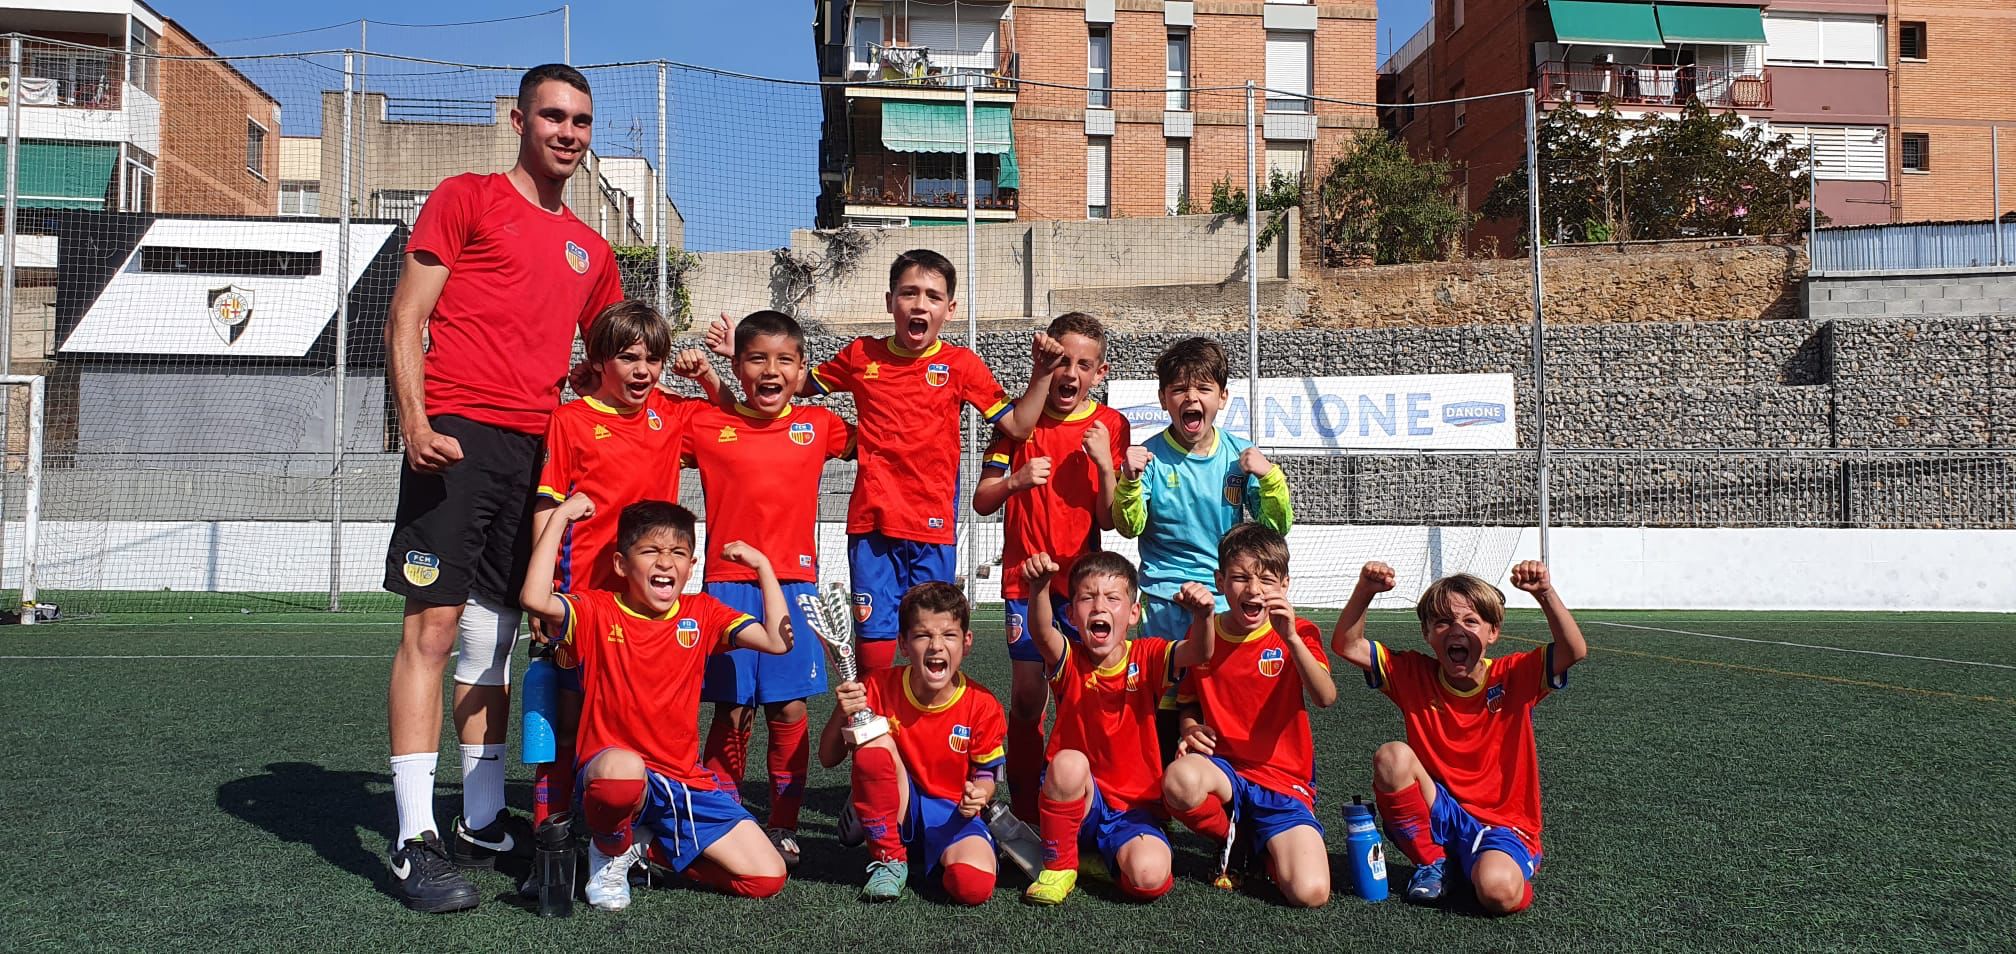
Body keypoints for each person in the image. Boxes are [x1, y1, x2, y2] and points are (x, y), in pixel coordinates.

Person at [379, 62, 625, 913]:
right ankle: (415, 839)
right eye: (553, 116)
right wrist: (414, 422)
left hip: (539, 450)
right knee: (435, 628)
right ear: (518, 120)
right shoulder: (467, 196)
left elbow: (611, 363)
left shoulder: (594, 252)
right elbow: (406, 316)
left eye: (581, 121)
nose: (567, 132)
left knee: (498, 632)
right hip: (456, 435)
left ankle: (482, 819)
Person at [711, 249, 1066, 671]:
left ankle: (923, 735)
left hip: (932, 528)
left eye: (933, 297)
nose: (920, 304)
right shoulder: (861, 355)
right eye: (909, 293)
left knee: (932, 646)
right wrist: (744, 352)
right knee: (875, 656)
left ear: (949, 310)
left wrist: (1041, 374)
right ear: (889, 301)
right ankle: (871, 733)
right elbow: (798, 383)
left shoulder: (961, 365)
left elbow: (1019, 426)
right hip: (872, 528)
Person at [521, 496, 793, 911]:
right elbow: (535, 599)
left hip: (684, 780)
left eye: (678, 553)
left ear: (691, 565)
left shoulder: (702, 614)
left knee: (767, 876)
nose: (666, 562)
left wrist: (762, 567)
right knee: (621, 772)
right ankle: (609, 851)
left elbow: (776, 640)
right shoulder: (597, 609)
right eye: (650, 551)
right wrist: (559, 518)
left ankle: (644, 851)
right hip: (615, 772)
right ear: (620, 564)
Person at [526, 301, 720, 834]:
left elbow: (736, 423)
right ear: (599, 360)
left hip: (648, 608)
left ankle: (633, 826)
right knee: (567, 721)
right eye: (629, 358)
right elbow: (548, 505)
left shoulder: (673, 415)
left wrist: (706, 377)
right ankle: (552, 830)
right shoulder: (571, 420)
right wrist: (545, 593)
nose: (643, 371)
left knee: (645, 721)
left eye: (652, 359)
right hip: (584, 597)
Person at [688, 310, 854, 868]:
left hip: (794, 586)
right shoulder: (707, 425)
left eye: (785, 360)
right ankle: (723, 818)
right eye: (757, 358)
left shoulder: (820, 425)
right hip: (726, 587)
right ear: (737, 364)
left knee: (787, 710)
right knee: (731, 712)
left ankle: (783, 823)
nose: (771, 370)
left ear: (802, 369)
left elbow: (880, 436)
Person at [1330, 560, 1588, 914]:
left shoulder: (1514, 674)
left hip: (1503, 824)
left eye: (1471, 621)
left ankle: (1484, 868)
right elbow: (1346, 644)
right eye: (1443, 622)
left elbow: (1573, 650)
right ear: (1426, 633)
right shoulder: (1413, 674)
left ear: (1493, 632)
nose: (1457, 630)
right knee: (1393, 757)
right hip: (1440, 810)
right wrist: (1365, 591)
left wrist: (1545, 593)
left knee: (1497, 893)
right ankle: (1434, 861)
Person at [972, 312, 1128, 822]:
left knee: (1086, 695)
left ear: (1099, 373)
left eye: (1084, 364)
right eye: (1061, 359)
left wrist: (1106, 464)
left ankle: (1090, 799)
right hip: (1025, 582)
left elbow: (1109, 517)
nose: (1070, 373)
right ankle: (1022, 806)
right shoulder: (1018, 421)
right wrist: (1016, 482)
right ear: (1045, 360)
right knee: (1027, 698)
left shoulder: (1110, 426)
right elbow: (981, 500)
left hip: (1086, 591)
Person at [1112, 337, 1293, 760]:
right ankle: (1160, 799)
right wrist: (1130, 481)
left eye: (1204, 389)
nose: (1191, 398)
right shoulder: (1150, 457)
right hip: (1165, 599)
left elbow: (1275, 527)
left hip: (1224, 599)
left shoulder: (1238, 456)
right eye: (1179, 389)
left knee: (1219, 699)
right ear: (1163, 398)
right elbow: (1128, 525)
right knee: (1166, 699)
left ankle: (1232, 788)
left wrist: (1269, 477)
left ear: (1222, 397)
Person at [1015, 550, 1212, 905]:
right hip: (1080, 799)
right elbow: (1042, 633)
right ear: (1073, 614)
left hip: (1134, 810)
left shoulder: (1148, 655)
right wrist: (1040, 588)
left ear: (1134, 613)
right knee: (1068, 762)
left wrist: (1203, 616)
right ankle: (1058, 866)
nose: (1098, 606)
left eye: (1112, 598)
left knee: (1149, 879)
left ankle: (1095, 860)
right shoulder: (1070, 658)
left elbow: (1199, 651)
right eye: (1087, 597)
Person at [1161, 523, 1336, 908]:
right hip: (1226, 771)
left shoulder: (1299, 632)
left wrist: (1289, 638)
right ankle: (1233, 839)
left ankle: (1265, 847)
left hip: (1282, 780)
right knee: (1179, 780)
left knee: (1311, 893)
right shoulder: (1206, 634)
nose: (1254, 589)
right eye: (1240, 577)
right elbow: (1188, 697)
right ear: (1221, 581)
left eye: (1267, 580)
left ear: (1285, 585)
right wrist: (1189, 727)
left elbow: (1325, 697)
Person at [818, 582, 1006, 905]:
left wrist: (981, 793)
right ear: (903, 644)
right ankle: (889, 855)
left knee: (971, 886)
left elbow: (988, 775)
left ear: (967, 642)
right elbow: (827, 756)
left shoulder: (983, 704)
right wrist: (843, 709)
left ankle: (874, 809)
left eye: (949, 635)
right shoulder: (876, 686)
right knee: (873, 743)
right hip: (902, 804)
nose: (936, 646)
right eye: (922, 636)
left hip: (952, 814)